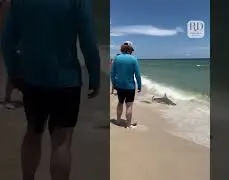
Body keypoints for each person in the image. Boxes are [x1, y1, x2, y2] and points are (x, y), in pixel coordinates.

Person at [1, 0, 100, 180]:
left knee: (33, 132)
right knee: (61, 142)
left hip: (31, 78)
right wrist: (94, 74)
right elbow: (88, 39)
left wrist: (14, 70)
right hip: (66, 79)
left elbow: (7, 40)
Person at [111, 44, 141, 128]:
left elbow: (112, 73)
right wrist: (139, 85)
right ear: (130, 50)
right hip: (130, 86)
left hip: (119, 86)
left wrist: (113, 83)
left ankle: (118, 120)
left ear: (122, 49)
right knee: (129, 105)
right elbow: (137, 74)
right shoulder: (134, 59)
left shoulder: (117, 58)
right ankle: (128, 125)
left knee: (120, 103)